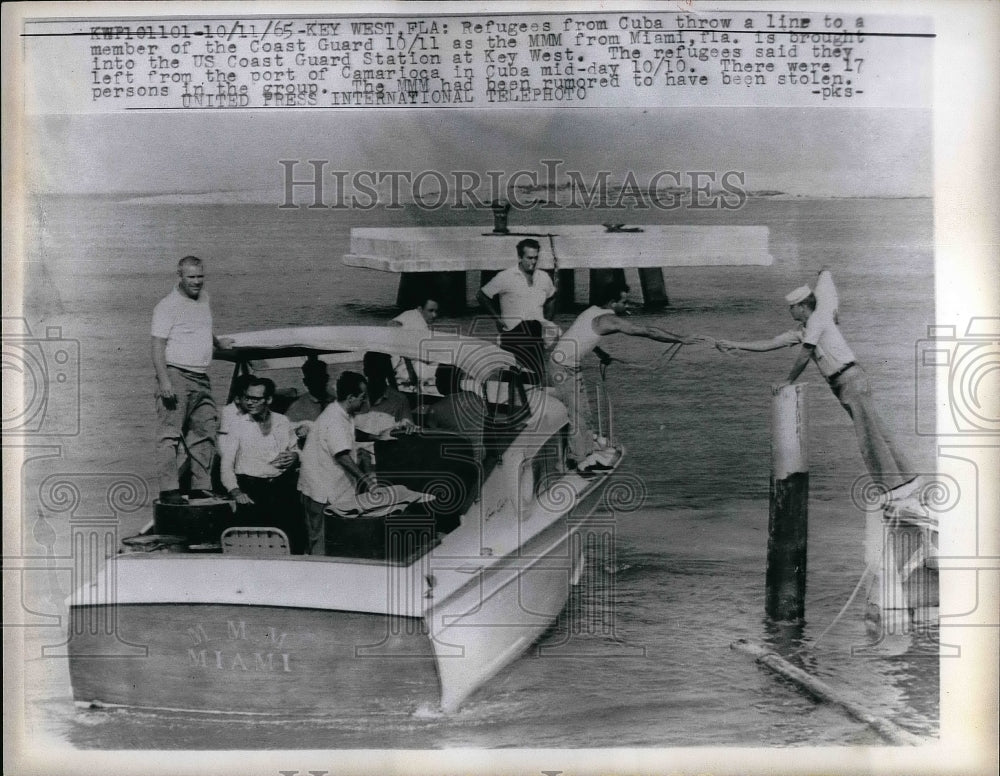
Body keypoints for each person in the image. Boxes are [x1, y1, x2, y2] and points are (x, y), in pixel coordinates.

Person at [715, 270, 925, 517]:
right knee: (877, 430)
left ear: (803, 307)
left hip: (849, 379)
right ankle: (909, 479)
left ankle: (894, 488)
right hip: (845, 383)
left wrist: (788, 380)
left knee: (868, 437)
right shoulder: (805, 328)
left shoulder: (817, 321)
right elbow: (771, 342)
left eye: (792, 308)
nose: (790, 312)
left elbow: (805, 354)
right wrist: (735, 344)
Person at [549, 281, 700, 474]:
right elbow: (647, 331)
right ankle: (578, 462)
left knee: (584, 412)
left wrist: (600, 353)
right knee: (577, 414)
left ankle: (584, 455)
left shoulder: (592, 311)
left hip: (568, 365)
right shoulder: (609, 319)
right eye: (625, 302)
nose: (627, 306)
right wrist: (680, 339)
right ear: (613, 303)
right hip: (563, 368)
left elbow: (580, 336)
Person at [151, 256, 232, 504]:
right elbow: (157, 346)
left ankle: (200, 487)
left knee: (205, 430)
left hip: (201, 376)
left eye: (200, 276)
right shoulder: (167, 306)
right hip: (176, 375)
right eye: (191, 277)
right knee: (170, 436)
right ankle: (169, 490)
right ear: (180, 276)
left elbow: (202, 326)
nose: (197, 282)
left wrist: (218, 344)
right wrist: (165, 382)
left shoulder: (204, 298)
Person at [218, 377, 302, 550]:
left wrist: (295, 455)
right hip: (250, 492)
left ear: (269, 400)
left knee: (287, 541)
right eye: (247, 397)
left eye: (255, 399)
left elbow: (296, 449)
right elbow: (226, 465)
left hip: (280, 490)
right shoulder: (238, 425)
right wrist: (235, 491)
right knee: (254, 545)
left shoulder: (282, 421)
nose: (249, 402)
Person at [296, 371, 374, 555]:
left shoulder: (341, 413)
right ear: (350, 397)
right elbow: (342, 456)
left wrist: (378, 436)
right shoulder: (334, 419)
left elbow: (351, 436)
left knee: (335, 542)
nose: (364, 401)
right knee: (321, 545)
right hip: (322, 494)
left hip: (330, 489)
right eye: (362, 397)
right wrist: (369, 482)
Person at [476, 238, 558, 379]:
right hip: (513, 333)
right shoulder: (505, 276)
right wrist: (497, 318)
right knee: (514, 376)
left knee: (536, 375)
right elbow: (482, 295)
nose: (533, 262)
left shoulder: (544, 277)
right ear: (520, 257)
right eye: (529, 258)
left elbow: (552, 297)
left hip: (536, 333)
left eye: (536, 258)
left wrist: (547, 320)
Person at [424, 364, 487, 461]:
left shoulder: (436, 408)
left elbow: (429, 434)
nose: (436, 383)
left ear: (445, 380)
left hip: (456, 461)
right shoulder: (475, 397)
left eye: (438, 378)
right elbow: (484, 416)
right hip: (479, 456)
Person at [389, 295, 439, 385]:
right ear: (420, 309)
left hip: (405, 362)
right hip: (401, 365)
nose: (434, 315)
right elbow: (392, 324)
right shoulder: (412, 316)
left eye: (436, 311)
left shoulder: (416, 318)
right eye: (430, 311)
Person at [285, 356, 332, 447]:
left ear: (326, 379)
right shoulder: (296, 408)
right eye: (313, 380)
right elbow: (286, 436)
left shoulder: (337, 403)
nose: (317, 383)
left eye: (320, 378)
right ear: (305, 382)